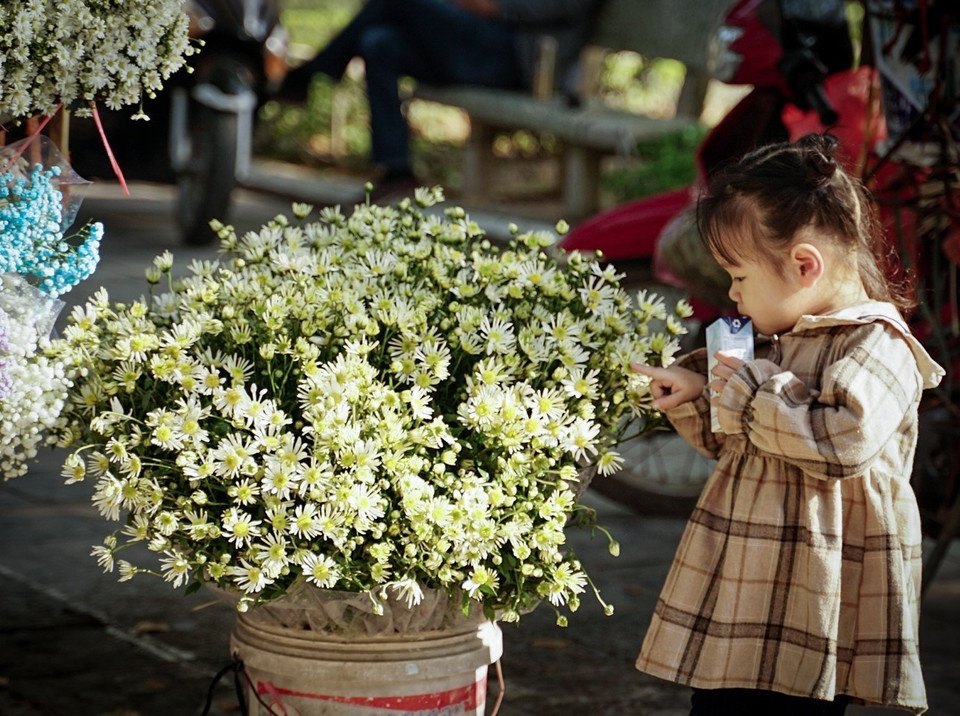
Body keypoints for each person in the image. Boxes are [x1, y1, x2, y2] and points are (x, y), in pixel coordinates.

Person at [631, 133, 944, 715]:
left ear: (804, 265)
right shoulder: (782, 341)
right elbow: (738, 442)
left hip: (815, 603)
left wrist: (745, 388)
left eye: (739, 276)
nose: (732, 292)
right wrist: (700, 394)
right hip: (750, 590)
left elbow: (843, 440)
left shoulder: (879, 346)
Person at [278, 0, 600, 200]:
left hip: (517, 65)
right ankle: (396, 170)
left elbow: (501, 7)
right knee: (378, 43)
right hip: (473, 49)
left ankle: (313, 74)